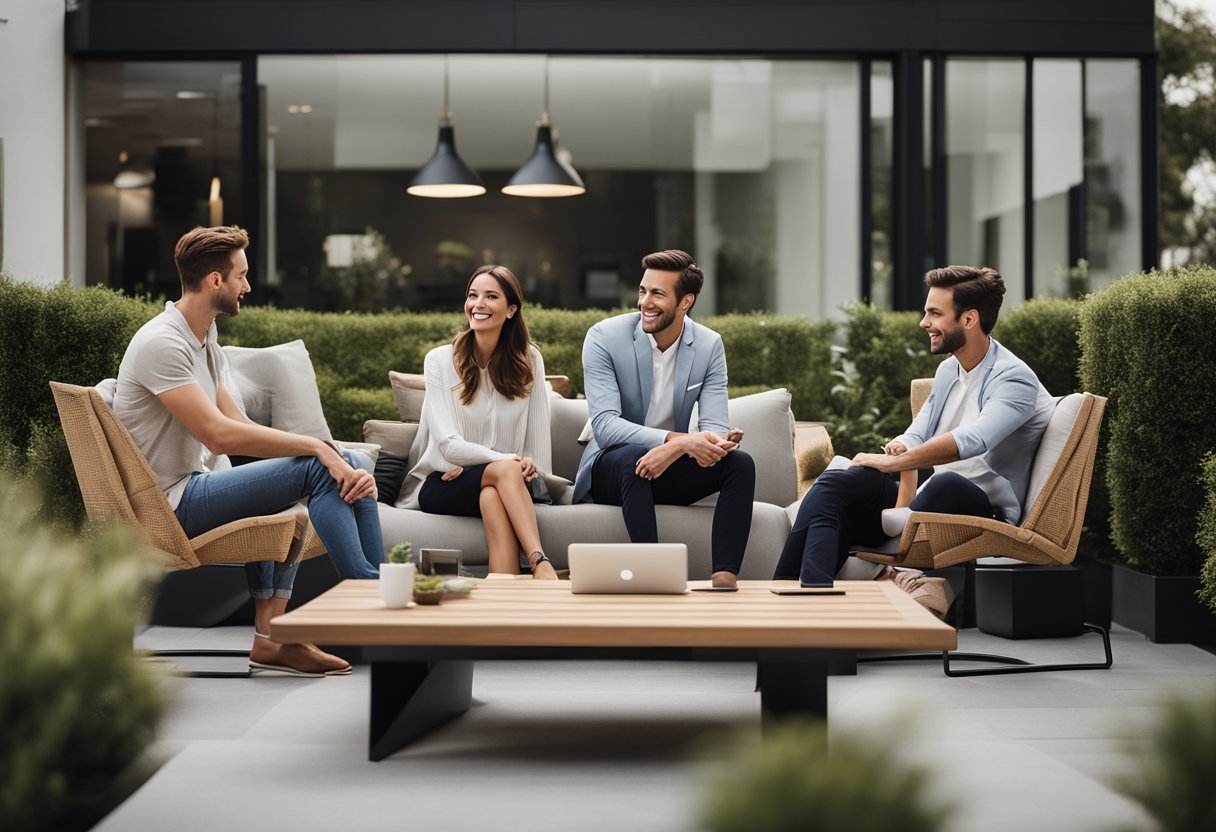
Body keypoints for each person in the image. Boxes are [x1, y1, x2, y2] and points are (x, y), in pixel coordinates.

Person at [114, 226, 382, 676]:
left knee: (348, 461)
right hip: (167, 505)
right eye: (242, 275)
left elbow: (240, 425)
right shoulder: (163, 343)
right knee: (320, 466)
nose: (248, 286)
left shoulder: (204, 338)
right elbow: (219, 437)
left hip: (194, 487)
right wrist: (317, 450)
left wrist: (330, 451)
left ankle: (274, 637)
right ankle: (370, 590)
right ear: (215, 281)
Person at [773, 265, 1055, 616]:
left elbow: (975, 439)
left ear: (968, 319)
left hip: (982, 507)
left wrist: (897, 463)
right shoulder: (949, 369)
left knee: (948, 481)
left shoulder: (1014, 379)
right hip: (928, 494)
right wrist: (900, 447)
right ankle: (796, 604)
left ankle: (891, 524)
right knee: (837, 485)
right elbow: (917, 432)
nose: (924, 322)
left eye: (934, 313)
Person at [574, 249, 755, 589]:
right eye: (643, 291)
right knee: (631, 459)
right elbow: (606, 427)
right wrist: (679, 441)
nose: (645, 301)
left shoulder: (708, 345)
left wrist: (716, 443)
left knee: (740, 464)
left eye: (657, 293)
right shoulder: (604, 337)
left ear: (685, 302)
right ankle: (654, 576)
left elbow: (713, 424)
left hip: (668, 469)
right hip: (613, 468)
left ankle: (724, 577)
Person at [398, 265, 558, 580]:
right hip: (442, 482)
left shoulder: (530, 360)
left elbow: (538, 449)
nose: (478, 304)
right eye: (473, 295)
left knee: (492, 493)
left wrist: (521, 466)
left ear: (511, 309)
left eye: (490, 296)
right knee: (503, 472)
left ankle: (502, 596)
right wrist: (504, 461)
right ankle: (541, 563)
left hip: (503, 484)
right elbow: (448, 447)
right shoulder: (440, 360)